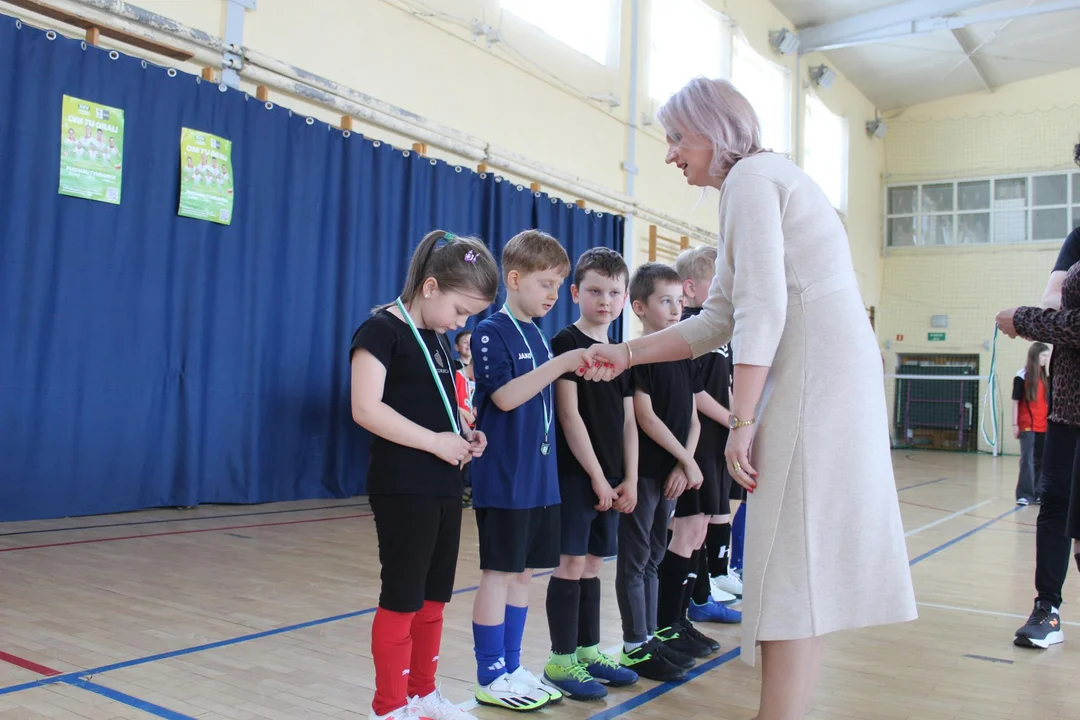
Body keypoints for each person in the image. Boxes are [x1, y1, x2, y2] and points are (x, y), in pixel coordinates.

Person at [583, 77, 917, 719]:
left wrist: (742, 420)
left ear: (714, 132)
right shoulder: (760, 181)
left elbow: (762, 308)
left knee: (788, 558)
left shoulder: (751, 180)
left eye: (677, 138)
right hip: (825, 371)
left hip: (816, 375)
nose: (670, 153)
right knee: (799, 559)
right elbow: (719, 317)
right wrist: (627, 354)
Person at [349, 230, 499, 720]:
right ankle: (389, 707)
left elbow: (438, 406)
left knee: (434, 599)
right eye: (460, 311)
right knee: (403, 597)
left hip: (443, 485)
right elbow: (366, 409)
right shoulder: (380, 331)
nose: (462, 323)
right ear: (430, 287)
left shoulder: (437, 339)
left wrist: (464, 432)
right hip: (402, 486)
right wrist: (436, 441)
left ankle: (422, 695)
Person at [468, 230, 607, 712]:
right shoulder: (491, 331)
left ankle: (511, 667)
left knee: (524, 574)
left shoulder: (537, 336)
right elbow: (506, 397)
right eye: (546, 284)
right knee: (498, 574)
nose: (553, 295)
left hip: (540, 478)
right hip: (505, 477)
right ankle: (489, 673)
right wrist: (564, 362)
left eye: (558, 286)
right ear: (514, 279)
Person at [541, 247, 641, 701]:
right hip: (576, 476)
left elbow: (629, 422)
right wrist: (597, 477)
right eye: (596, 291)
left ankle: (587, 651)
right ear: (575, 293)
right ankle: (560, 660)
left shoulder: (621, 354)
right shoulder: (565, 343)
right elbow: (569, 415)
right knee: (571, 563)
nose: (605, 300)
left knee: (594, 563)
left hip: (615, 478)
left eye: (614, 292)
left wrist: (630, 478)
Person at [995, 139, 1080, 650]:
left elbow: (1058, 316)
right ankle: (1047, 610)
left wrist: (1026, 320)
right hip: (1068, 408)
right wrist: (1045, 317)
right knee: (1055, 505)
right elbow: (1055, 302)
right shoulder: (1078, 238)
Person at [615, 262, 705, 682]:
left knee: (654, 554)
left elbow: (693, 419)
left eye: (679, 301)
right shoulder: (638, 355)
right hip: (647, 472)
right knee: (635, 558)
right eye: (665, 301)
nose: (675, 309)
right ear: (639, 307)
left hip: (673, 472)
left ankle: (650, 636)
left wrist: (686, 462)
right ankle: (634, 643)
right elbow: (645, 417)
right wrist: (687, 460)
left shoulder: (683, 355)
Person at [674, 245, 744, 624]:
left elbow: (724, 386)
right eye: (718, 283)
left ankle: (705, 588)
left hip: (719, 440)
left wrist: (742, 422)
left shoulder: (719, 332)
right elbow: (697, 392)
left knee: (709, 520)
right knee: (692, 525)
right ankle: (695, 596)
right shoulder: (692, 329)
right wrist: (733, 420)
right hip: (697, 442)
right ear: (690, 287)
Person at [1013, 342, 1051, 505]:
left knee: (1041, 459)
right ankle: (1024, 494)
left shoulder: (1045, 377)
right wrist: (1014, 425)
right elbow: (1015, 401)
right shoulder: (1022, 375)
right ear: (1035, 355)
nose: (1046, 359)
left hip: (1044, 426)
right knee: (1027, 459)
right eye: (1044, 355)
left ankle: (1037, 493)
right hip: (1027, 425)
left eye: (1047, 356)